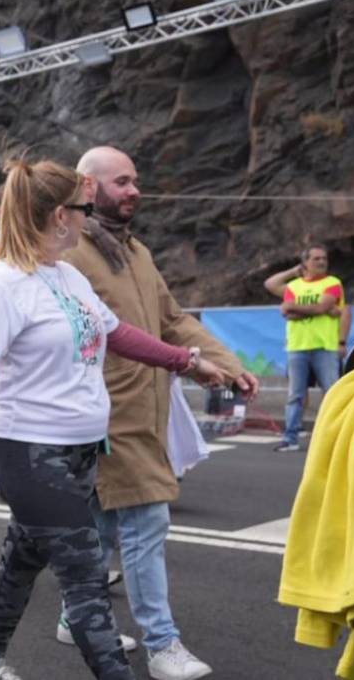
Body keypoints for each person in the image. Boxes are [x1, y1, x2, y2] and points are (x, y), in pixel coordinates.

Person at [0, 159, 230, 680]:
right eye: (82, 208)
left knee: (21, 561)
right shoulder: (3, 285)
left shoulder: (67, 276)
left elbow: (119, 335)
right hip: (26, 454)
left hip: (79, 452)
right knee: (86, 584)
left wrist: (188, 362)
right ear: (59, 216)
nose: (89, 218)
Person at [61, 146, 261, 680]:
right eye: (122, 182)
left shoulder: (137, 253)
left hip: (145, 413)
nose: (134, 190)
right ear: (87, 186)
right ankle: (162, 644)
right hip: (103, 415)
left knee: (103, 525)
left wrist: (226, 361)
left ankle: (74, 614)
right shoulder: (68, 254)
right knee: (148, 520)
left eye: (136, 181)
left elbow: (173, 321)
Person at [263, 246, 350, 452]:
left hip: (325, 346)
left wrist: (294, 308)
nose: (322, 262)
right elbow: (276, 292)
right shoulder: (294, 285)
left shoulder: (333, 283)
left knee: (332, 393)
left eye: (324, 258)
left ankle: (337, 438)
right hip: (297, 346)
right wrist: (294, 272)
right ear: (306, 263)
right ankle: (290, 438)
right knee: (295, 395)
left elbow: (318, 307)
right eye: (316, 258)